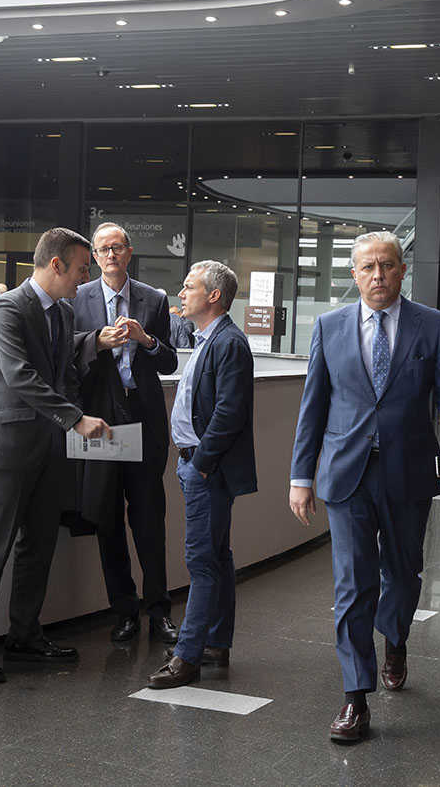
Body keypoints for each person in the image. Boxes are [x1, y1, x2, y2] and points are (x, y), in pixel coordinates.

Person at [288, 230, 440, 743]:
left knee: (404, 572)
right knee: (351, 583)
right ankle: (355, 697)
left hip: (410, 472)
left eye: (387, 265)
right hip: (346, 474)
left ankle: (395, 636)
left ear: (402, 269)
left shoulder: (431, 326)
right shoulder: (329, 326)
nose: (378, 276)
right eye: (367, 267)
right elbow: (313, 408)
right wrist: (301, 476)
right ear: (354, 273)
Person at [0, 227, 113, 683]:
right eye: (83, 269)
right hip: (10, 446)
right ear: (56, 265)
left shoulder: (63, 313)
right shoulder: (7, 308)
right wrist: (75, 418)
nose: (86, 280)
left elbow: (62, 369)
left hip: (51, 445)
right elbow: (20, 377)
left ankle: (25, 635)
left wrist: (78, 411)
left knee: (39, 545)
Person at [148, 261, 256, 689]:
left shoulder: (229, 343)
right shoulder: (209, 339)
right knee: (217, 556)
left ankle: (187, 656)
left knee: (201, 562)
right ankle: (216, 641)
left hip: (206, 468)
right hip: (197, 464)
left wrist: (201, 465)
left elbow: (230, 414)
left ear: (213, 296)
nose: (182, 294)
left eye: (189, 287)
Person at [72, 223, 180, 645]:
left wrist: (146, 340)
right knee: (108, 520)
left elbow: (169, 361)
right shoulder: (77, 299)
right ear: (95, 257)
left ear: (129, 253)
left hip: (142, 417)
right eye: (102, 249)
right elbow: (67, 351)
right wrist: (97, 342)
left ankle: (159, 612)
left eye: (117, 247)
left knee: (150, 519)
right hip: (99, 420)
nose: (110, 255)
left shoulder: (154, 299)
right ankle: (124, 611)